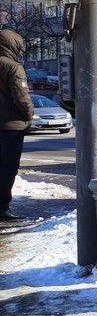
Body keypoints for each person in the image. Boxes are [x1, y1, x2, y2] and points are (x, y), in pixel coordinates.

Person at [0, 30, 33, 222]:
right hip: (11, 127)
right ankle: (2, 207)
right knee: (7, 168)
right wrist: (29, 114)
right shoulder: (13, 67)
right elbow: (22, 97)